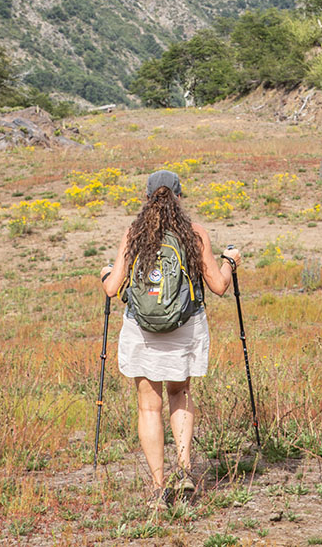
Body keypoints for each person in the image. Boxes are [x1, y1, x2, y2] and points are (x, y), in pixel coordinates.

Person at [101, 169, 241, 501]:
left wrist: (106, 272)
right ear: (179, 197)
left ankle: (157, 486)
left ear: (148, 198)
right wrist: (230, 263)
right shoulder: (194, 233)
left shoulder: (134, 233)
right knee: (181, 393)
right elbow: (219, 287)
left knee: (149, 407)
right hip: (185, 326)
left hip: (142, 328)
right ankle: (184, 469)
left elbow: (111, 288)